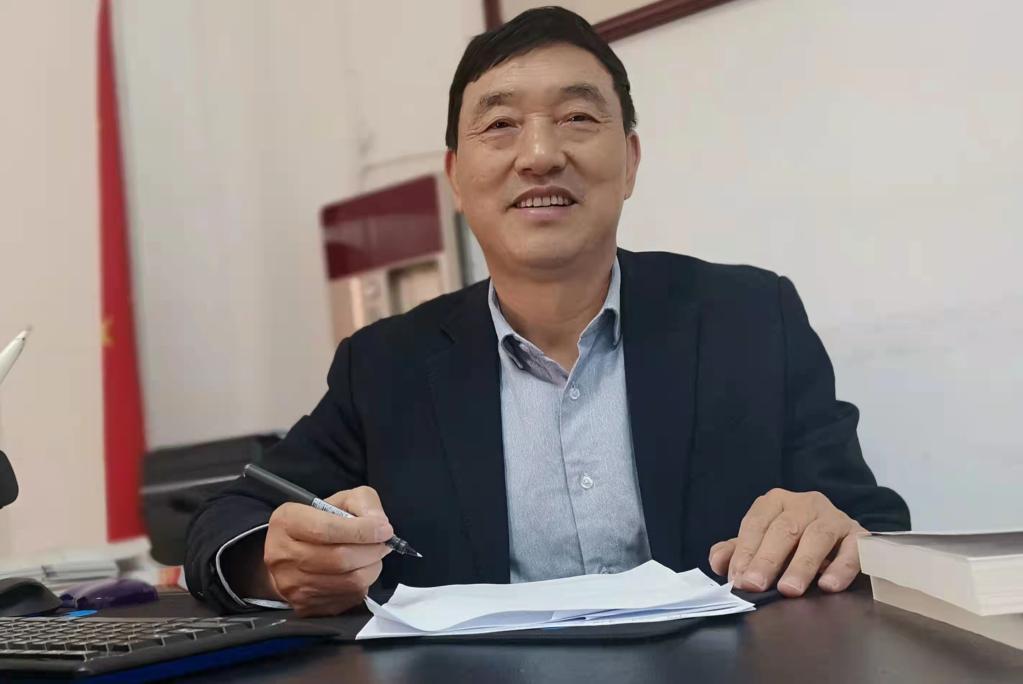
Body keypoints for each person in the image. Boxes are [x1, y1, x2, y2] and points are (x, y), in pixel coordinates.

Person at [185, 6, 909, 617]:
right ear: (456, 178)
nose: (538, 154)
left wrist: (836, 528)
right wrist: (275, 563)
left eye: (576, 117)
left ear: (630, 161)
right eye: (500, 124)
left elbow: (871, 526)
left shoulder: (750, 320)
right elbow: (225, 522)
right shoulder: (383, 367)